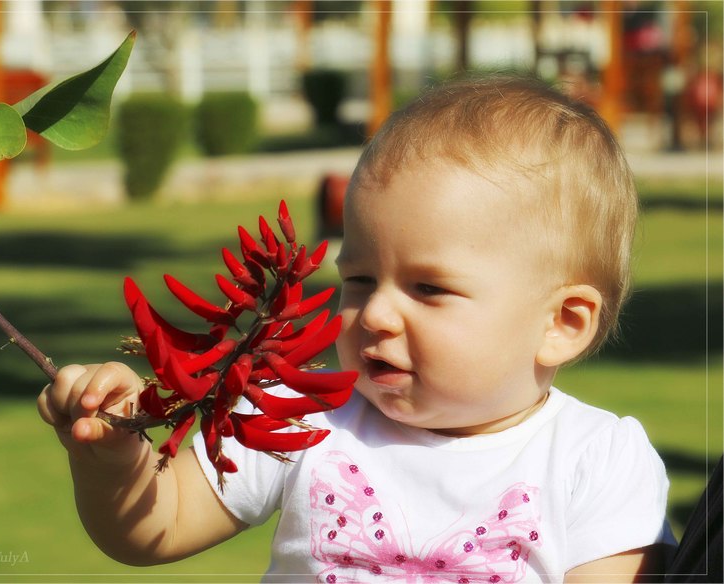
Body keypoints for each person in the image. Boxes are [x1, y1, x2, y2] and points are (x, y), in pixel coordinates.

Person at [37, 75, 677, 583]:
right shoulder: (306, 415)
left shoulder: (597, 461)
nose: (374, 313)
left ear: (561, 324)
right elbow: (158, 526)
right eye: (361, 279)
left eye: (429, 288)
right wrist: (113, 461)